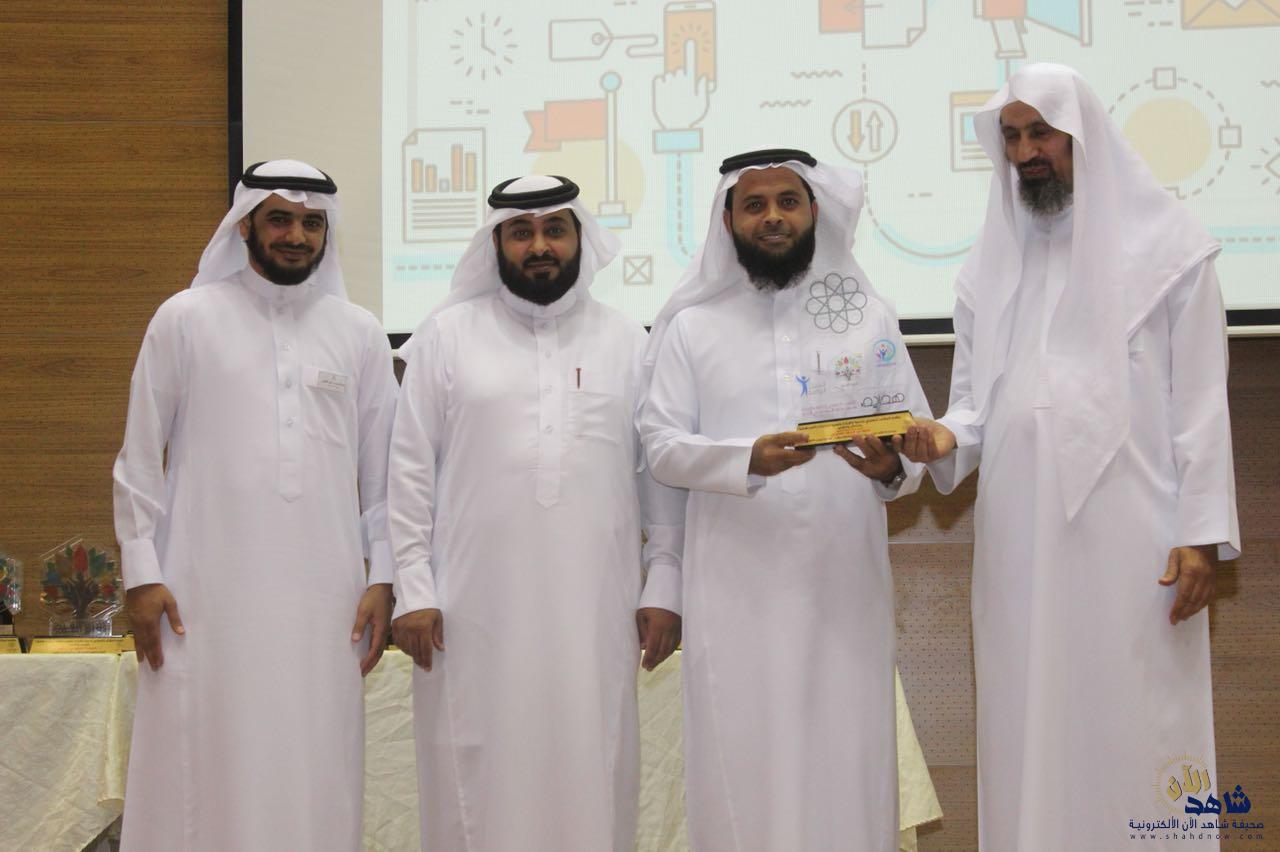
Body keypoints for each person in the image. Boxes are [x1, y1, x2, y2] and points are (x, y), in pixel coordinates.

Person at [901, 64, 1240, 850]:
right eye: (1012, 137)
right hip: (1019, 544)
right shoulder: (989, 267)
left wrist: (1200, 534)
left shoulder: (1170, 251)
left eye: (1042, 133)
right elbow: (974, 410)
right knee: (1027, 723)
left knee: (1140, 720)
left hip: (1137, 541)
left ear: (1082, 135)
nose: (1026, 152)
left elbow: (1201, 404)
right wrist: (941, 438)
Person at [638, 149, 932, 851]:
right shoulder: (691, 327)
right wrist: (746, 458)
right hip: (734, 592)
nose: (772, 217)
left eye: (787, 202)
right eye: (754, 205)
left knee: (847, 758)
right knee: (744, 764)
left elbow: (917, 439)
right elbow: (660, 447)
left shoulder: (868, 317)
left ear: (814, 212)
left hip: (845, 587)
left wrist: (892, 467)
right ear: (728, 222)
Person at [388, 175, 685, 852]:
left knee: (593, 761)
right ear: (496, 243)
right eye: (521, 232)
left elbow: (658, 473)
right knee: (475, 772)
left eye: (555, 229)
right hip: (468, 612)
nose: (540, 246)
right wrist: (413, 588)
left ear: (581, 238)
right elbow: (408, 471)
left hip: (597, 607)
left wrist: (664, 582)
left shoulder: (626, 341)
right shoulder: (444, 338)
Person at [113, 160, 398, 851]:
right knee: (201, 757)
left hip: (325, 601)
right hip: (201, 593)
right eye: (279, 219)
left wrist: (385, 576)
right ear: (244, 226)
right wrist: (142, 574)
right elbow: (139, 455)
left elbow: (386, 473)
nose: (296, 235)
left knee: (314, 758)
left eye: (311, 222)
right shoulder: (185, 318)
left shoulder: (359, 332)